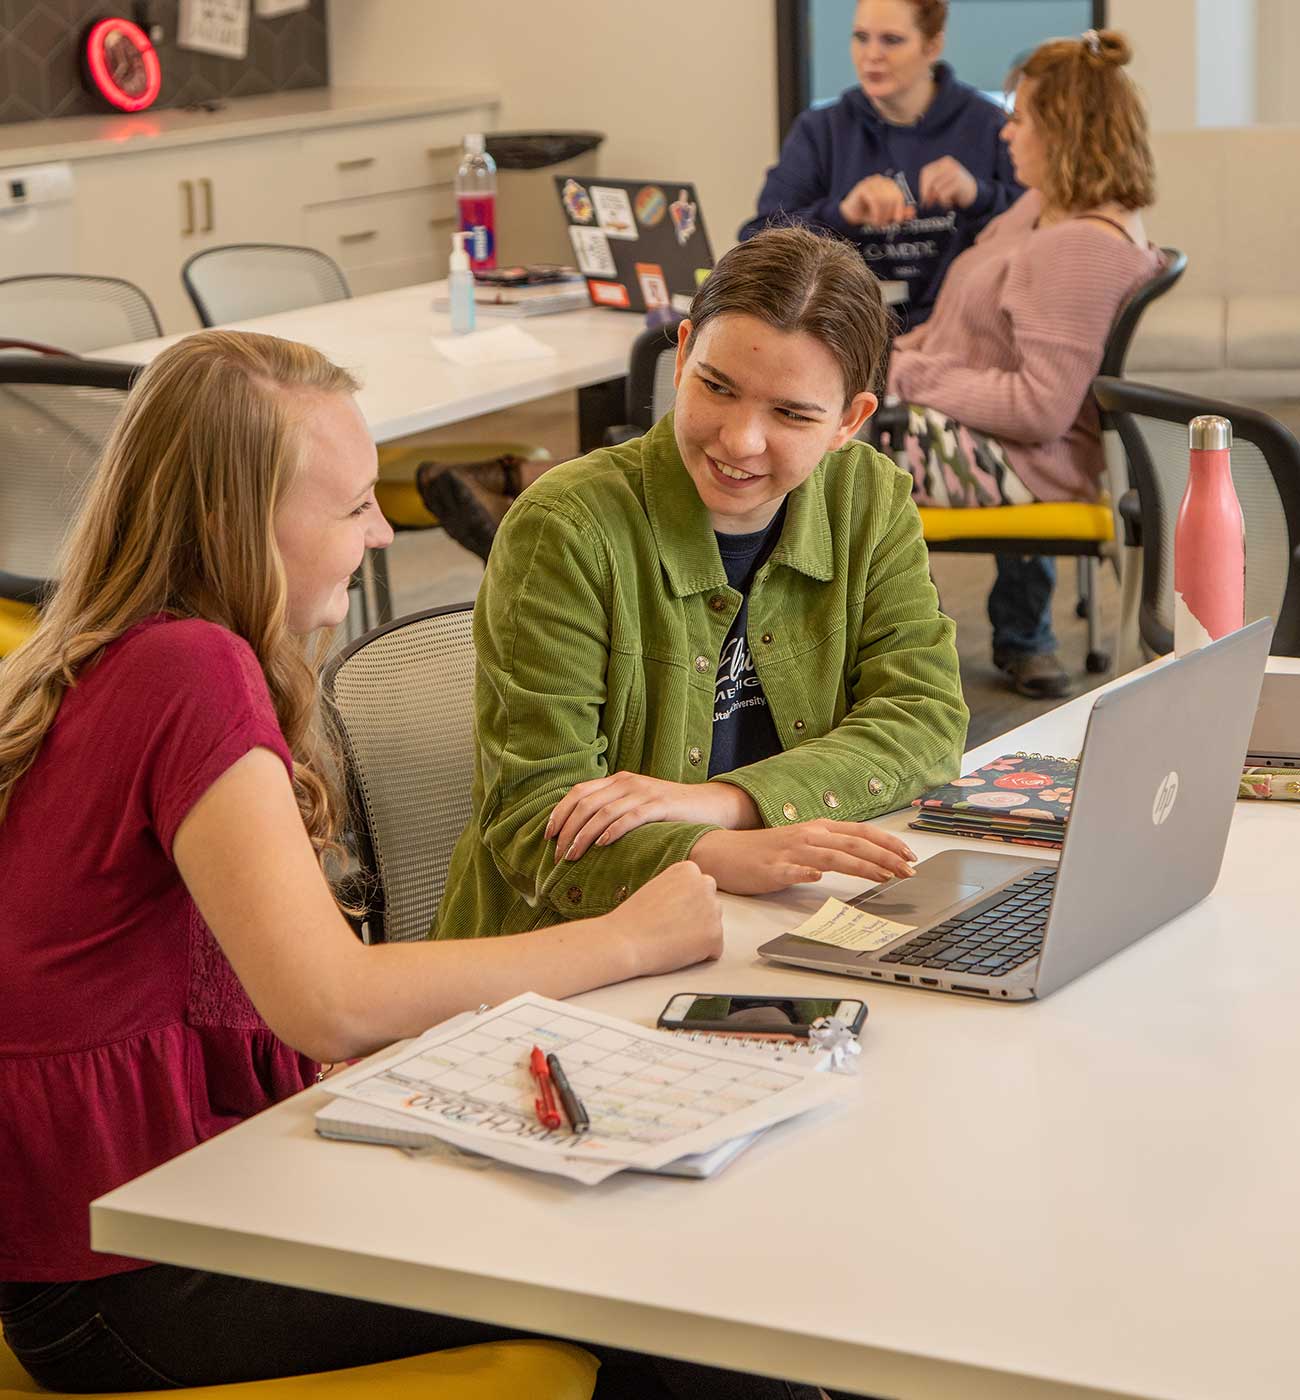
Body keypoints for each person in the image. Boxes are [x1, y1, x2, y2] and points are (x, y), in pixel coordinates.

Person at [0, 330, 839, 1400]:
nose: (385, 531)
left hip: (153, 1220)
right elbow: (332, 1002)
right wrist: (628, 936)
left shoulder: (125, 653)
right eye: (352, 507)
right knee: (671, 1273)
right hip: (132, 1277)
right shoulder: (189, 668)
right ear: (230, 524)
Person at [435, 224, 968, 941]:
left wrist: (721, 804)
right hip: (562, 953)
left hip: (771, 916)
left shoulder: (868, 498)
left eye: (791, 414)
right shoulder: (565, 529)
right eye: (716, 387)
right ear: (682, 355)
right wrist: (727, 854)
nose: (739, 441)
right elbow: (536, 820)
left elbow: (926, 717)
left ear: (849, 420)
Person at [880, 29, 1161, 699]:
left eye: (1022, 118)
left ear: (1064, 131)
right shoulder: (1042, 210)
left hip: (1025, 463)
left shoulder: (1080, 249)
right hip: (961, 425)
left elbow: (1040, 409)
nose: (1008, 134)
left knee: (803, 450)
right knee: (799, 419)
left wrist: (906, 374)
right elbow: (963, 332)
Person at [740, 0, 1021, 327]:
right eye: (861, 37)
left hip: (962, 338)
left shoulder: (988, 125)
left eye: (891, 40)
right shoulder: (821, 131)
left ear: (932, 46)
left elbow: (1045, 229)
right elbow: (759, 238)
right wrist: (844, 213)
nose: (871, 54)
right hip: (846, 336)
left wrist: (979, 196)